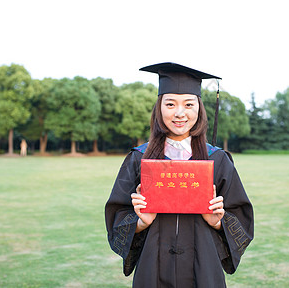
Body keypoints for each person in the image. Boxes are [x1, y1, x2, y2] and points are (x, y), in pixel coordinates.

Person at [105, 62, 254, 288]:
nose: (180, 113)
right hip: (152, 271)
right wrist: (139, 223)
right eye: (170, 103)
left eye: (188, 104)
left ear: (199, 108)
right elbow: (117, 217)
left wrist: (218, 222)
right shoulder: (139, 159)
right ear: (159, 107)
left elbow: (242, 222)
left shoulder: (217, 160)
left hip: (203, 271)